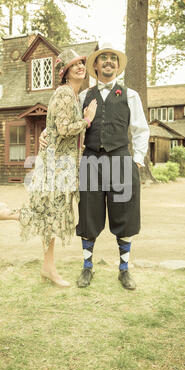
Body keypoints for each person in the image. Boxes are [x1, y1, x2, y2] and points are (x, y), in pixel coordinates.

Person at [0, 48, 97, 288]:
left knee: (50, 218)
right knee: (44, 215)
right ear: (65, 72)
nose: (80, 67)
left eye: (82, 63)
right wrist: (87, 120)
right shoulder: (64, 93)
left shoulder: (73, 95)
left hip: (63, 167)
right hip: (54, 167)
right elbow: (63, 129)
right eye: (74, 65)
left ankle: (47, 268)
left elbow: (55, 128)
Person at [40, 43, 150, 290]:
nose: (109, 62)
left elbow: (141, 129)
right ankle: (87, 268)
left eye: (113, 59)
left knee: (125, 215)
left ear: (118, 66)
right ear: (96, 66)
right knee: (89, 216)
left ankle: (124, 270)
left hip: (122, 160)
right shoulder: (82, 96)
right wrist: (46, 132)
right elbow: (64, 119)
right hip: (90, 162)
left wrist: (138, 158)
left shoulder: (130, 95)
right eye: (104, 59)